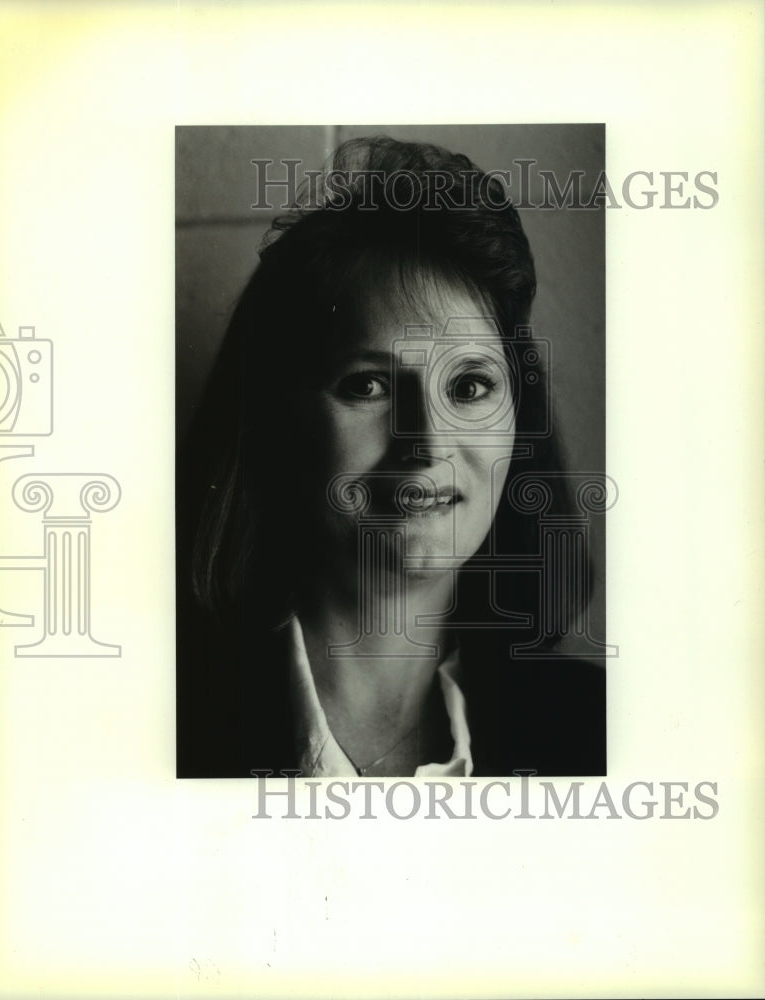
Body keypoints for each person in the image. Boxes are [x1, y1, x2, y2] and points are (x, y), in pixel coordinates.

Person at [176, 135, 605, 778]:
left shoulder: (594, 730)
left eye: (469, 386)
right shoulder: (162, 728)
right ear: (272, 421)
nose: (427, 442)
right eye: (367, 385)